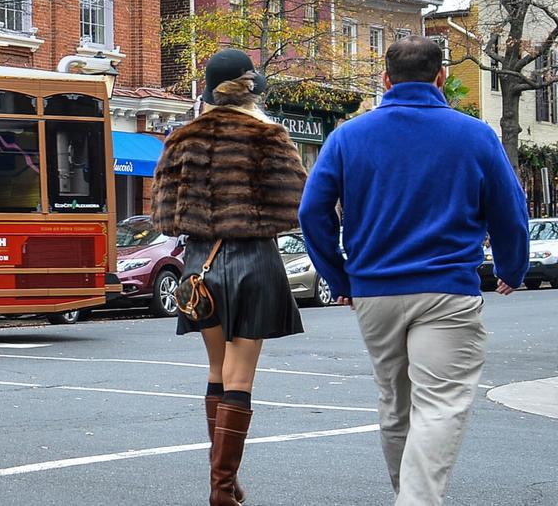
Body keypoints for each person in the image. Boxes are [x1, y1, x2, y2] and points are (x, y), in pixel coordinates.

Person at [300, 35, 529, 506]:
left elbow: (312, 212)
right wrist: (512, 266)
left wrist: (339, 277)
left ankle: (407, 495)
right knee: (440, 404)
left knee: (395, 404)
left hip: (374, 292)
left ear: (386, 80)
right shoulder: (475, 135)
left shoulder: (347, 136)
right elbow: (510, 211)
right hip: (446, 288)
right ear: (441, 77)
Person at [150, 48, 308, 506]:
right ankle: (222, 488)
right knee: (240, 377)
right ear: (250, 91)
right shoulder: (268, 135)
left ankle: (225, 481)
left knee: (217, 371)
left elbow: (164, 217)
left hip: (200, 266)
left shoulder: (182, 138)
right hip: (252, 261)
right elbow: (297, 204)